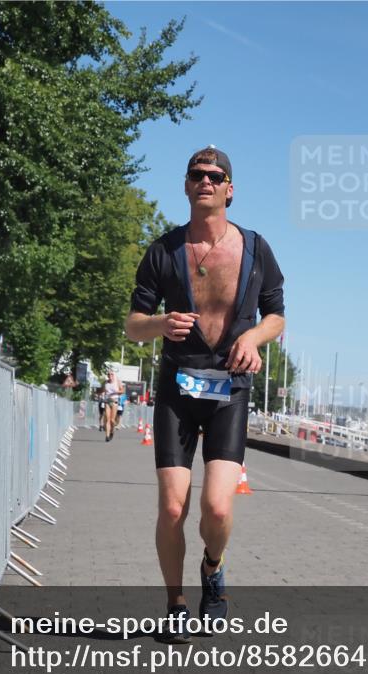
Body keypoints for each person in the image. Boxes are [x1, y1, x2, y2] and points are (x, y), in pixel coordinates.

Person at [125, 146, 285, 643]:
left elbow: (276, 316)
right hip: (177, 385)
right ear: (186, 185)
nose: (206, 181)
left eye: (215, 176)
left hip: (230, 387)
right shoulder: (164, 250)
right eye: (197, 175)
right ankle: (174, 603)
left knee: (217, 507)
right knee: (173, 508)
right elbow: (133, 327)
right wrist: (160, 323)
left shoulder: (256, 249)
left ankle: (212, 571)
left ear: (230, 188)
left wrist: (254, 338)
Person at [103, 370, 122, 442]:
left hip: (114, 401)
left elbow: (122, 391)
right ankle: (107, 436)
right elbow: (103, 390)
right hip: (107, 401)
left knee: (112, 420)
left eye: (111, 374)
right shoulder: (105, 382)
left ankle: (112, 431)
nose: (110, 375)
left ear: (114, 375)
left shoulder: (117, 381)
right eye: (108, 374)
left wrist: (116, 392)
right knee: (107, 419)